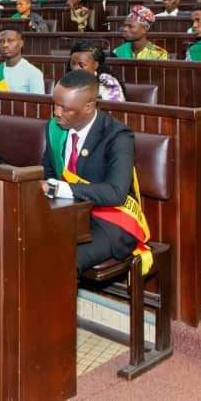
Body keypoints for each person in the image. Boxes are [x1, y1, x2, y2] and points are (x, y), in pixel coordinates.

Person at [41, 71, 150, 274]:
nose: (56, 112)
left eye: (65, 108)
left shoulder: (117, 135)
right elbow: (48, 172)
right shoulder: (55, 128)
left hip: (109, 219)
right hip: (70, 212)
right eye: (55, 104)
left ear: (89, 107)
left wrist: (59, 188)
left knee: (62, 257)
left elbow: (116, 193)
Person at [0, 26, 44, 93]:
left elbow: (38, 103)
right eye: (1, 41)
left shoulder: (34, 73)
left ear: (21, 43)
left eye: (10, 41)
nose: (5, 45)